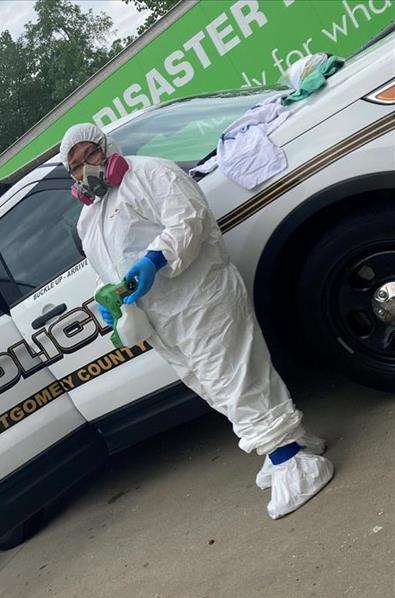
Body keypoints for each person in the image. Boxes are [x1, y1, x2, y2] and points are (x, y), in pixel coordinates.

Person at [59, 123, 334, 519]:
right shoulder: (89, 219)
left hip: (200, 299)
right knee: (211, 385)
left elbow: (189, 219)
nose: (86, 169)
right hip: (161, 321)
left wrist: (155, 259)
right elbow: (104, 268)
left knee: (236, 375)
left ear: (108, 148)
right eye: (76, 167)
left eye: (91, 156)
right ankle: (286, 443)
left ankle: (292, 460)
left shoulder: (150, 174)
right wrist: (108, 299)